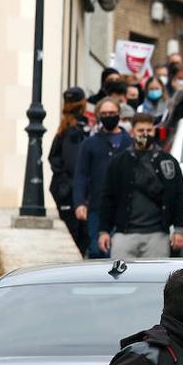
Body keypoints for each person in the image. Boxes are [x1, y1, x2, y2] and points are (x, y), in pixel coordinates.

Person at [97, 113, 183, 260]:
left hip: (157, 234)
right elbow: (107, 197)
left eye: (149, 130)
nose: (145, 134)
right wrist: (103, 231)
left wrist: (179, 230)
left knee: (155, 279)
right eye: (140, 130)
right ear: (132, 132)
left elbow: (178, 196)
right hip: (124, 234)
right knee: (120, 278)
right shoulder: (119, 162)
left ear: (154, 131)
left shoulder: (168, 162)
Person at [74, 97, 132, 258]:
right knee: (97, 251)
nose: (108, 116)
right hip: (97, 208)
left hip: (126, 209)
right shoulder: (89, 144)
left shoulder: (130, 143)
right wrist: (79, 202)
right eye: (104, 113)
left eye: (112, 113)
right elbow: (81, 175)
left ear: (119, 114)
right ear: (98, 115)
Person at [48, 86, 90, 253]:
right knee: (79, 236)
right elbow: (75, 165)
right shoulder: (73, 131)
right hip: (70, 192)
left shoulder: (66, 129)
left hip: (66, 190)